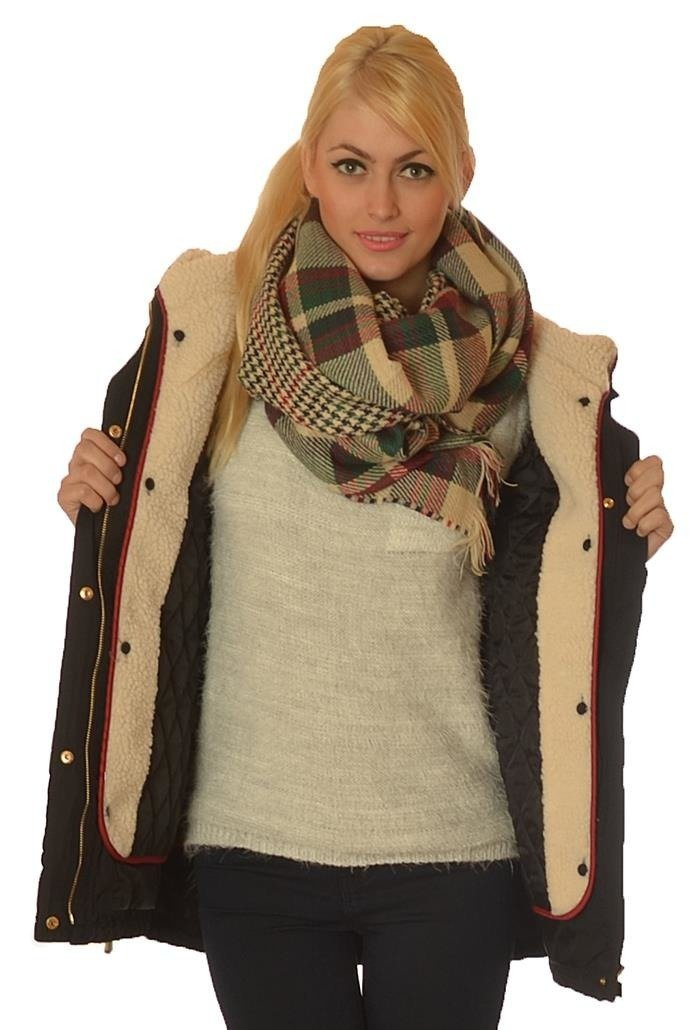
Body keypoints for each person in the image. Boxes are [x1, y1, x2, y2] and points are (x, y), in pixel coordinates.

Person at [34, 23, 673, 1030]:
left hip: (455, 855)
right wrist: (95, 496)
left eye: (414, 168)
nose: (381, 204)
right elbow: (155, 547)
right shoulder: (222, 338)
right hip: (254, 848)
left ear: (460, 174)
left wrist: (624, 522)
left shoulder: (527, 375)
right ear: (310, 168)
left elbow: (560, 585)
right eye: (351, 165)